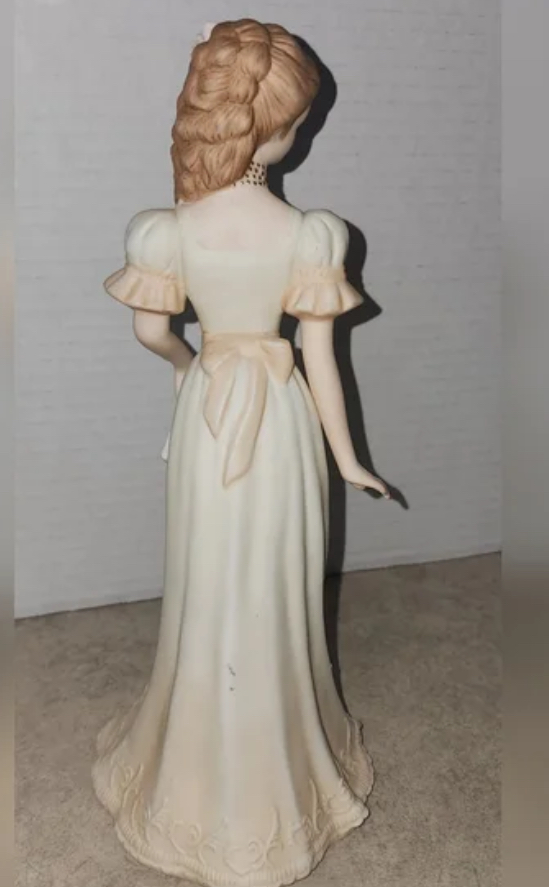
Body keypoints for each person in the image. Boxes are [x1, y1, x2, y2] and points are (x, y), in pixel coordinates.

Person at [92, 19, 389, 887]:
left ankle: (195, 767)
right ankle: (273, 769)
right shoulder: (311, 233)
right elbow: (321, 361)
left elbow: (153, 331)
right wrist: (345, 457)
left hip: (206, 416)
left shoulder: (164, 229)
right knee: (268, 582)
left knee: (207, 575)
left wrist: (189, 367)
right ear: (277, 131)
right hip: (282, 425)